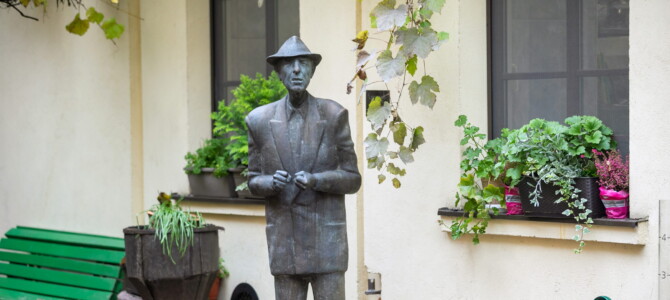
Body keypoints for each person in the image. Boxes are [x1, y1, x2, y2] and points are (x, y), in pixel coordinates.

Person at [245, 36, 361, 300]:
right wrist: (270, 183)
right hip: (285, 243)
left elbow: (353, 179)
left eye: (303, 63)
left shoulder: (334, 115)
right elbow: (252, 181)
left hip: (327, 245)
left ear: (312, 70)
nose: (296, 69)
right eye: (288, 63)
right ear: (278, 71)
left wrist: (317, 180)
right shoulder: (259, 120)